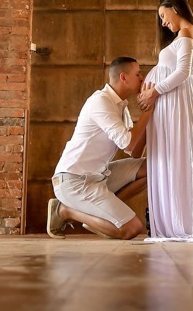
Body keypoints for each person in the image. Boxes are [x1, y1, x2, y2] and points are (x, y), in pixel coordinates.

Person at [47, 56, 154, 240]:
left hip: (99, 177)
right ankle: (64, 210)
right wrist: (148, 112)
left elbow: (134, 151)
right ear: (123, 77)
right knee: (131, 229)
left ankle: (108, 212)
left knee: (152, 168)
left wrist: (151, 116)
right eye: (138, 74)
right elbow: (128, 142)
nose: (143, 79)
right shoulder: (100, 102)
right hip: (73, 181)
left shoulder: (122, 106)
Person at [138, 0, 193, 239]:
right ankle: (169, 222)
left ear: (175, 9)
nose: (163, 23)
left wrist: (154, 91)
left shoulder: (187, 35)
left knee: (175, 158)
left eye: (163, 16)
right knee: (167, 159)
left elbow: (183, 73)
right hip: (169, 104)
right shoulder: (182, 36)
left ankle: (178, 223)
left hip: (175, 104)